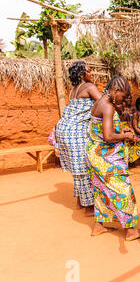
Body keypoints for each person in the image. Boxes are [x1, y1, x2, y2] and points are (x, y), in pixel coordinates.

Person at [86, 76, 140, 240]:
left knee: (101, 191)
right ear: (116, 91)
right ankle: (131, 230)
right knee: (124, 191)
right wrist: (126, 135)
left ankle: (98, 226)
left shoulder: (99, 103)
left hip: (94, 154)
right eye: (123, 96)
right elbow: (108, 135)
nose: (124, 100)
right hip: (105, 158)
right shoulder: (107, 107)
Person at [55, 61, 101, 216]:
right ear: (82, 74)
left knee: (77, 168)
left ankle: (80, 201)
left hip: (64, 130)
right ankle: (89, 207)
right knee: (84, 168)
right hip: (75, 132)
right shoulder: (89, 87)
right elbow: (103, 103)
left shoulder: (73, 90)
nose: (92, 73)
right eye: (89, 71)